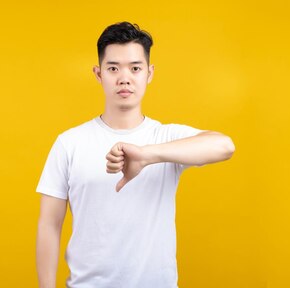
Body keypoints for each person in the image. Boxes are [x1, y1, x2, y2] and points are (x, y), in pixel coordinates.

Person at [35, 22, 235, 287]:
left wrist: (146, 155)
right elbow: (49, 225)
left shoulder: (166, 138)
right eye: (113, 68)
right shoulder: (69, 143)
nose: (124, 78)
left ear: (149, 74)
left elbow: (224, 146)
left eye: (135, 68)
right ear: (98, 74)